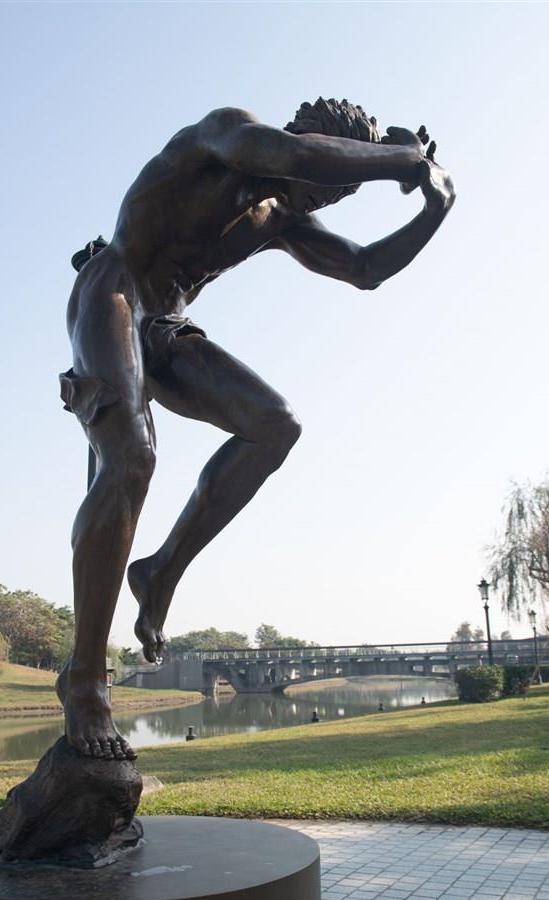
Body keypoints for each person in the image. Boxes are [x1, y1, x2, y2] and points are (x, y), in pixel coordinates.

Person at [57, 98, 456, 758]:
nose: (320, 199)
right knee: (130, 460)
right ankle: (86, 682)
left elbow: (363, 269)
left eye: (333, 196)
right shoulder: (228, 136)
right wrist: (406, 159)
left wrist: (436, 208)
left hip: (166, 327)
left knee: (275, 427)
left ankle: (160, 573)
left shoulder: (280, 218)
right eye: (323, 184)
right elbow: (295, 155)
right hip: (114, 292)